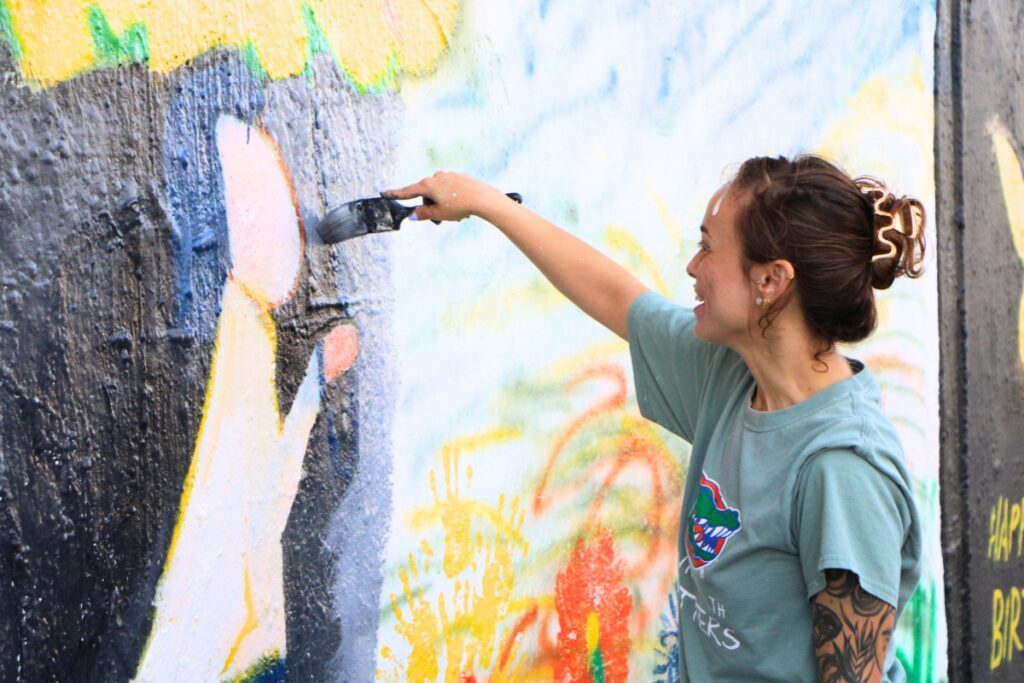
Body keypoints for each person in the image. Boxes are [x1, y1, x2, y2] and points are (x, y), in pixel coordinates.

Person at [385, 154, 924, 683]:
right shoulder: (731, 374)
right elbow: (616, 295)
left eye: (709, 247)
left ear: (771, 281)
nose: (693, 266)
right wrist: (486, 204)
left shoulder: (843, 470)